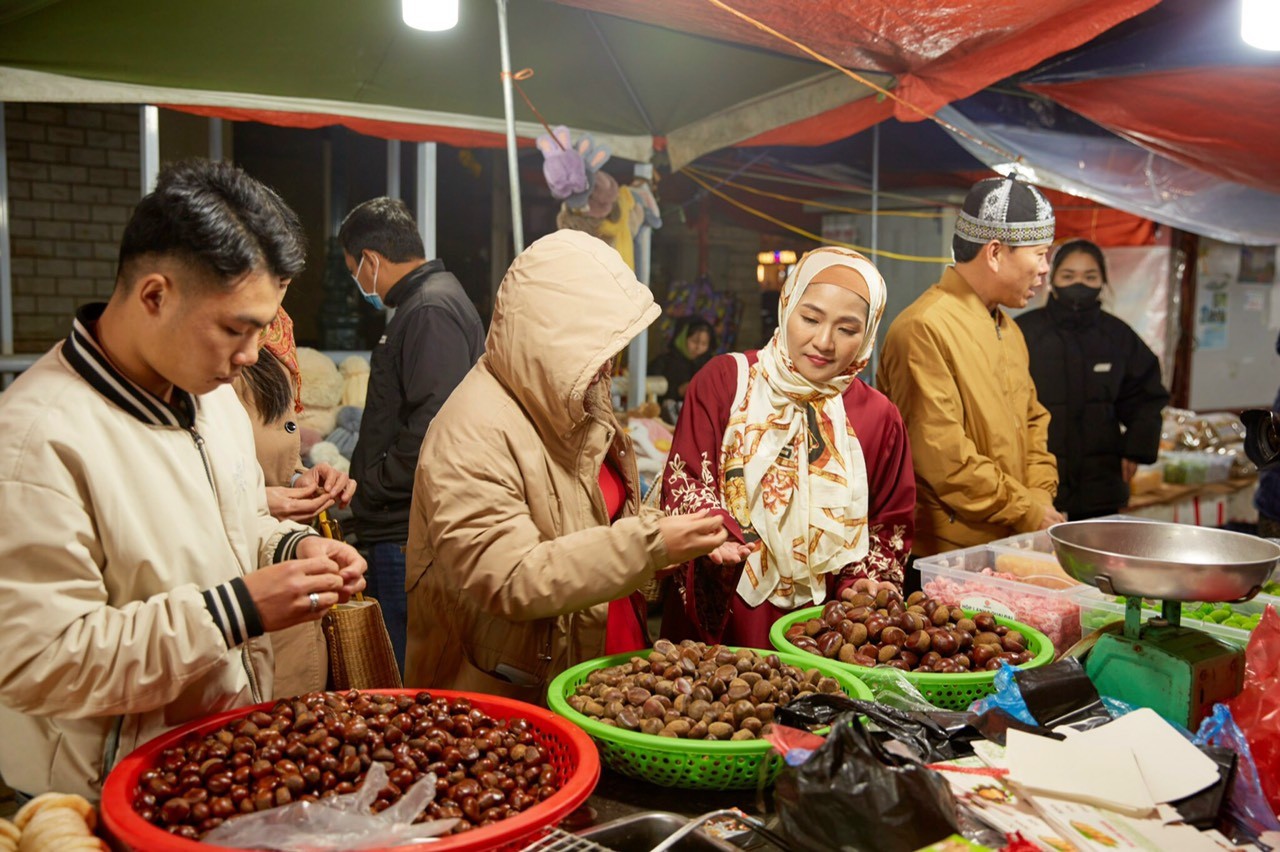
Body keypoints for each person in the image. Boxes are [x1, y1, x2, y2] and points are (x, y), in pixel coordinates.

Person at [0, 159, 366, 800]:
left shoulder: (212, 399)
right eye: (236, 329)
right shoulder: (36, 440)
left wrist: (291, 548)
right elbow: (36, 662)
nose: (252, 356)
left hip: (211, 756)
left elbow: (239, 519)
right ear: (155, 296)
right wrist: (237, 609)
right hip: (104, 789)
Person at [403, 230, 727, 700]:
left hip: (597, 674)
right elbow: (512, 577)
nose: (607, 364)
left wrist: (680, 540)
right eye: (596, 346)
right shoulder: (472, 430)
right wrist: (652, 544)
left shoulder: (571, 402)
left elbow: (598, 527)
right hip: (510, 698)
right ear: (548, 338)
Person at [659, 247, 916, 648]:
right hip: (728, 604)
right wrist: (715, 532)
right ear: (787, 305)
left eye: (847, 330)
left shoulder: (878, 417)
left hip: (828, 624)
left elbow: (889, 524)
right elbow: (689, 477)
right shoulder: (725, 382)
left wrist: (865, 583)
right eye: (810, 318)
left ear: (868, 334)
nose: (824, 342)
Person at [878, 175, 1063, 557]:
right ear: (995, 253)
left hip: (1010, 540)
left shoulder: (1007, 327)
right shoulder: (924, 326)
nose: (1045, 269)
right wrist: (1028, 509)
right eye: (1039, 253)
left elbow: (1033, 423)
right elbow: (944, 459)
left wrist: (1039, 496)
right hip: (945, 554)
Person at [339, 198, 485, 676]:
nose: (358, 283)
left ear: (371, 261)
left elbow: (433, 421)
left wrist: (376, 484)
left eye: (354, 270)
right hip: (400, 517)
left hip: (405, 525)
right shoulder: (429, 302)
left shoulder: (429, 309)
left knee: (407, 669)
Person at [234, 306, 359, 697]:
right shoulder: (208, 374)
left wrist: (302, 477)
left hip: (290, 563)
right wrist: (261, 501)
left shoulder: (276, 348)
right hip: (241, 584)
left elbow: (279, 456)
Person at [1016, 239, 1169, 520]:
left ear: (1103, 282)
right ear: (1051, 278)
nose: (1079, 284)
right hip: (1035, 482)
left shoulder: (1118, 336)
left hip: (1101, 483)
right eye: (1068, 275)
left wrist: (1136, 448)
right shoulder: (1023, 332)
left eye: (1090, 277)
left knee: (1093, 561)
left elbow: (1147, 396)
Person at [649, 318, 715, 411]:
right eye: (694, 341)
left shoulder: (711, 365)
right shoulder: (663, 362)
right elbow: (647, 390)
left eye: (704, 344)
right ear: (681, 338)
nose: (698, 347)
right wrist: (678, 391)